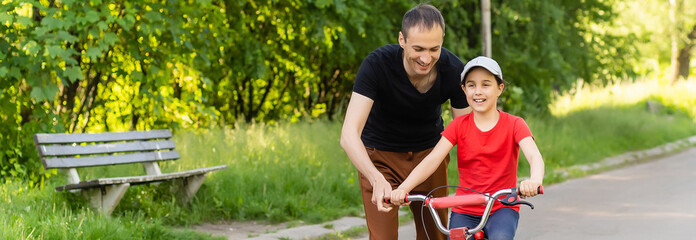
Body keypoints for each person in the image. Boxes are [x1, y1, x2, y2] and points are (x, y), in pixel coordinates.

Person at [339, 3, 471, 240]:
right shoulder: (377, 65)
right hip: (380, 159)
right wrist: (375, 177)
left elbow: (469, 136)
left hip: (429, 158)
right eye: (418, 48)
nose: (426, 58)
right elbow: (349, 135)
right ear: (402, 39)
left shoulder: (453, 70)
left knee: (435, 236)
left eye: (434, 49)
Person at [388, 56, 545, 240]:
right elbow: (432, 160)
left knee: (501, 236)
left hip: (501, 207)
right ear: (464, 90)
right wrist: (403, 188)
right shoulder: (458, 125)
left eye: (486, 85)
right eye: (471, 85)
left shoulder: (515, 124)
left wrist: (534, 180)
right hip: (465, 209)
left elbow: (534, 156)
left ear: (499, 89)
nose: (478, 91)